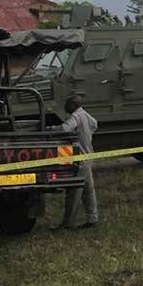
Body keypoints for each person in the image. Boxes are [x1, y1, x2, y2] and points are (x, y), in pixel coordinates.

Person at [56, 95, 99, 229]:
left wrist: (50, 130)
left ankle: (68, 223)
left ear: (74, 105)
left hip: (80, 160)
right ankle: (93, 218)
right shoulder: (86, 115)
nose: (65, 107)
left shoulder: (75, 116)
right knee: (88, 189)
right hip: (88, 157)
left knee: (74, 191)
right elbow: (95, 124)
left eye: (67, 104)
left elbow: (64, 129)